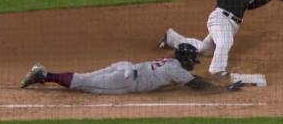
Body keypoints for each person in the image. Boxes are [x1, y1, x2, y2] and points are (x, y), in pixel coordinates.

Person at [20, 43, 244, 94]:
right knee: (81, 82)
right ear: (184, 59)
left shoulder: (173, 63)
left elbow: (190, 76)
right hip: (125, 81)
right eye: (192, 60)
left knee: (84, 77)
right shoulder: (177, 70)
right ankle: (44, 75)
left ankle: (45, 73)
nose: (192, 63)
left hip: (125, 68)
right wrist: (224, 89)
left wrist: (218, 83)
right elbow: (198, 85)